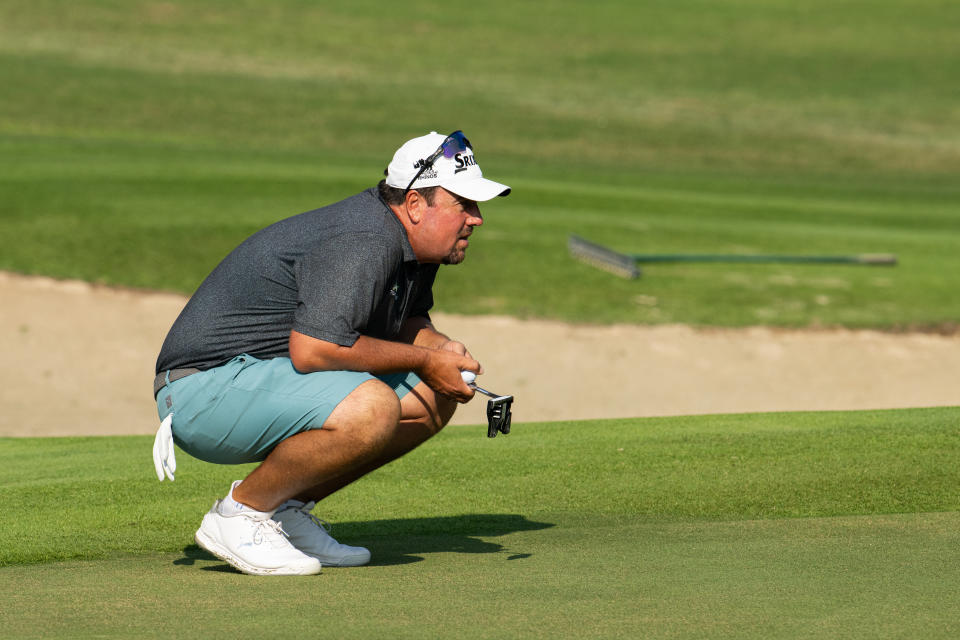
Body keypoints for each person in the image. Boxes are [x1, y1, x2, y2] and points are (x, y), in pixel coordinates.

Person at [151, 130, 510, 575]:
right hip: (199, 392)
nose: (476, 219)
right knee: (373, 406)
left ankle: (284, 508)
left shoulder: (412, 250)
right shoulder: (364, 238)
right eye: (465, 205)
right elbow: (315, 350)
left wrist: (440, 351)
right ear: (415, 204)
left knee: (433, 395)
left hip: (255, 381)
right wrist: (424, 360)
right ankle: (239, 513)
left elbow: (406, 324)